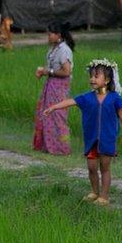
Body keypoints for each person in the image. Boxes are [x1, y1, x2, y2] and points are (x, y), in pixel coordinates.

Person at [43, 59, 122, 206]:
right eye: (91, 76)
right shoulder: (86, 97)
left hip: (107, 139)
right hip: (91, 139)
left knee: (105, 167)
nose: (92, 79)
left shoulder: (115, 98)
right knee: (91, 167)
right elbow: (70, 101)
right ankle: (95, 191)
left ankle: (104, 196)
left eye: (97, 76)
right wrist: (53, 107)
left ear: (107, 80)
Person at [33, 22, 75, 155]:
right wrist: (45, 71)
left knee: (58, 115)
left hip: (59, 87)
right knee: (47, 114)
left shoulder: (64, 50)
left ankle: (62, 147)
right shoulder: (54, 49)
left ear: (58, 35)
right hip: (52, 84)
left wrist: (47, 71)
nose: (48, 36)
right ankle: (49, 146)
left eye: (50, 34)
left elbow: (66, 71)